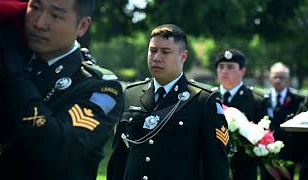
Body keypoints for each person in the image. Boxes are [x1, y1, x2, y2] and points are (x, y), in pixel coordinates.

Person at [0, 0, 123, 179]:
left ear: (82, 26)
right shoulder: (7, 64)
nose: (39, 23)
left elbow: (58, 147)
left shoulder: (101, 88)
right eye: (35, 8)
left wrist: (16, 78)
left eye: (56, 15)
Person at [107, 24, 229, 180]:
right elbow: (119, 158)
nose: (156, 57)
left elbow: (216, 166)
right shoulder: (131, 93)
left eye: (165, 52)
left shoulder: (203, 100)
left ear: (183, 56)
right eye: (153, 50)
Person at [215, 48, 266, 180]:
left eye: (230, 67)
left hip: (245, 168)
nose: (224, 71)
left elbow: (263, 135)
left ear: (242, 71)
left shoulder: (257, 100)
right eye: (221, 67)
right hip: (214, 166)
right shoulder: (208, 98)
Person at [260, 62, 304, 180]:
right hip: (266, 153)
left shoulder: (298, 100)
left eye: (282, 77)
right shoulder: (262, 99)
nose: (278, 80)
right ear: (270, 79)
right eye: (275, 77)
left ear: (288, 80)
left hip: (289, 153)